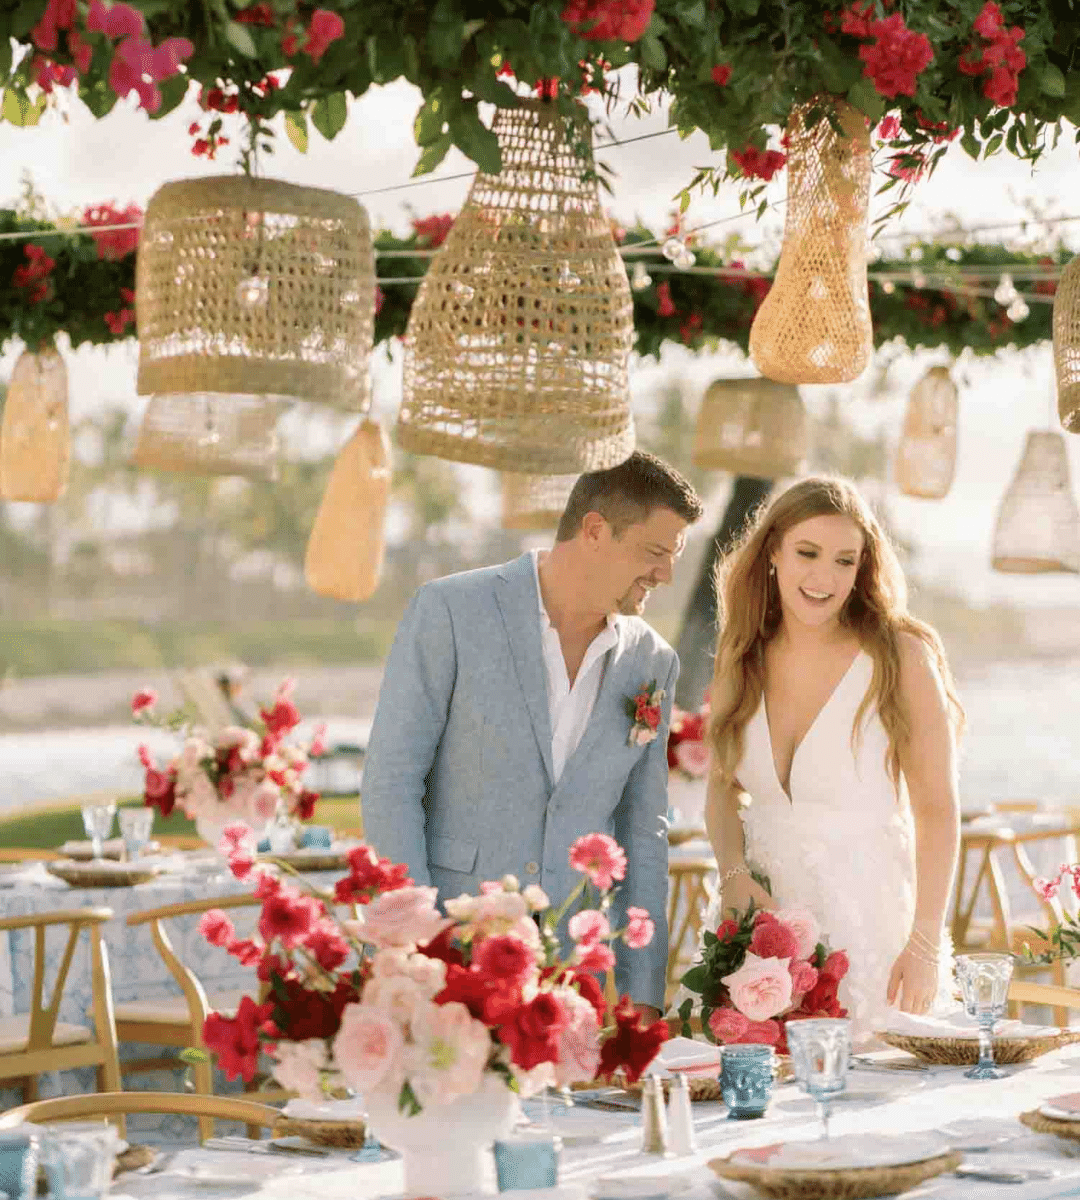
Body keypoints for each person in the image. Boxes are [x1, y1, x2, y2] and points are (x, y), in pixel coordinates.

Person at [361, 451, 703, 1018]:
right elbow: (391, 782)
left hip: (572, 969)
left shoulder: (652, 662)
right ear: (595, 530)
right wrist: (424, 941)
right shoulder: (450, 610)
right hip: (451, 947)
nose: (666, 573)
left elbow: (644, 831)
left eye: (674, 556)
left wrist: (644, 995)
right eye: (655, 552)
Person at [703, 476, 962, 1044]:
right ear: (772, 552)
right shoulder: (742, 653)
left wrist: (923, 944)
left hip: (873, 933)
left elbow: (938, 810)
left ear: (862, 568)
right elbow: (722, 788)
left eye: (845, 560)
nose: (825, 578)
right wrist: (733, 875)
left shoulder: (899, 655)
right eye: (807, 553)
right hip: (760, 930)